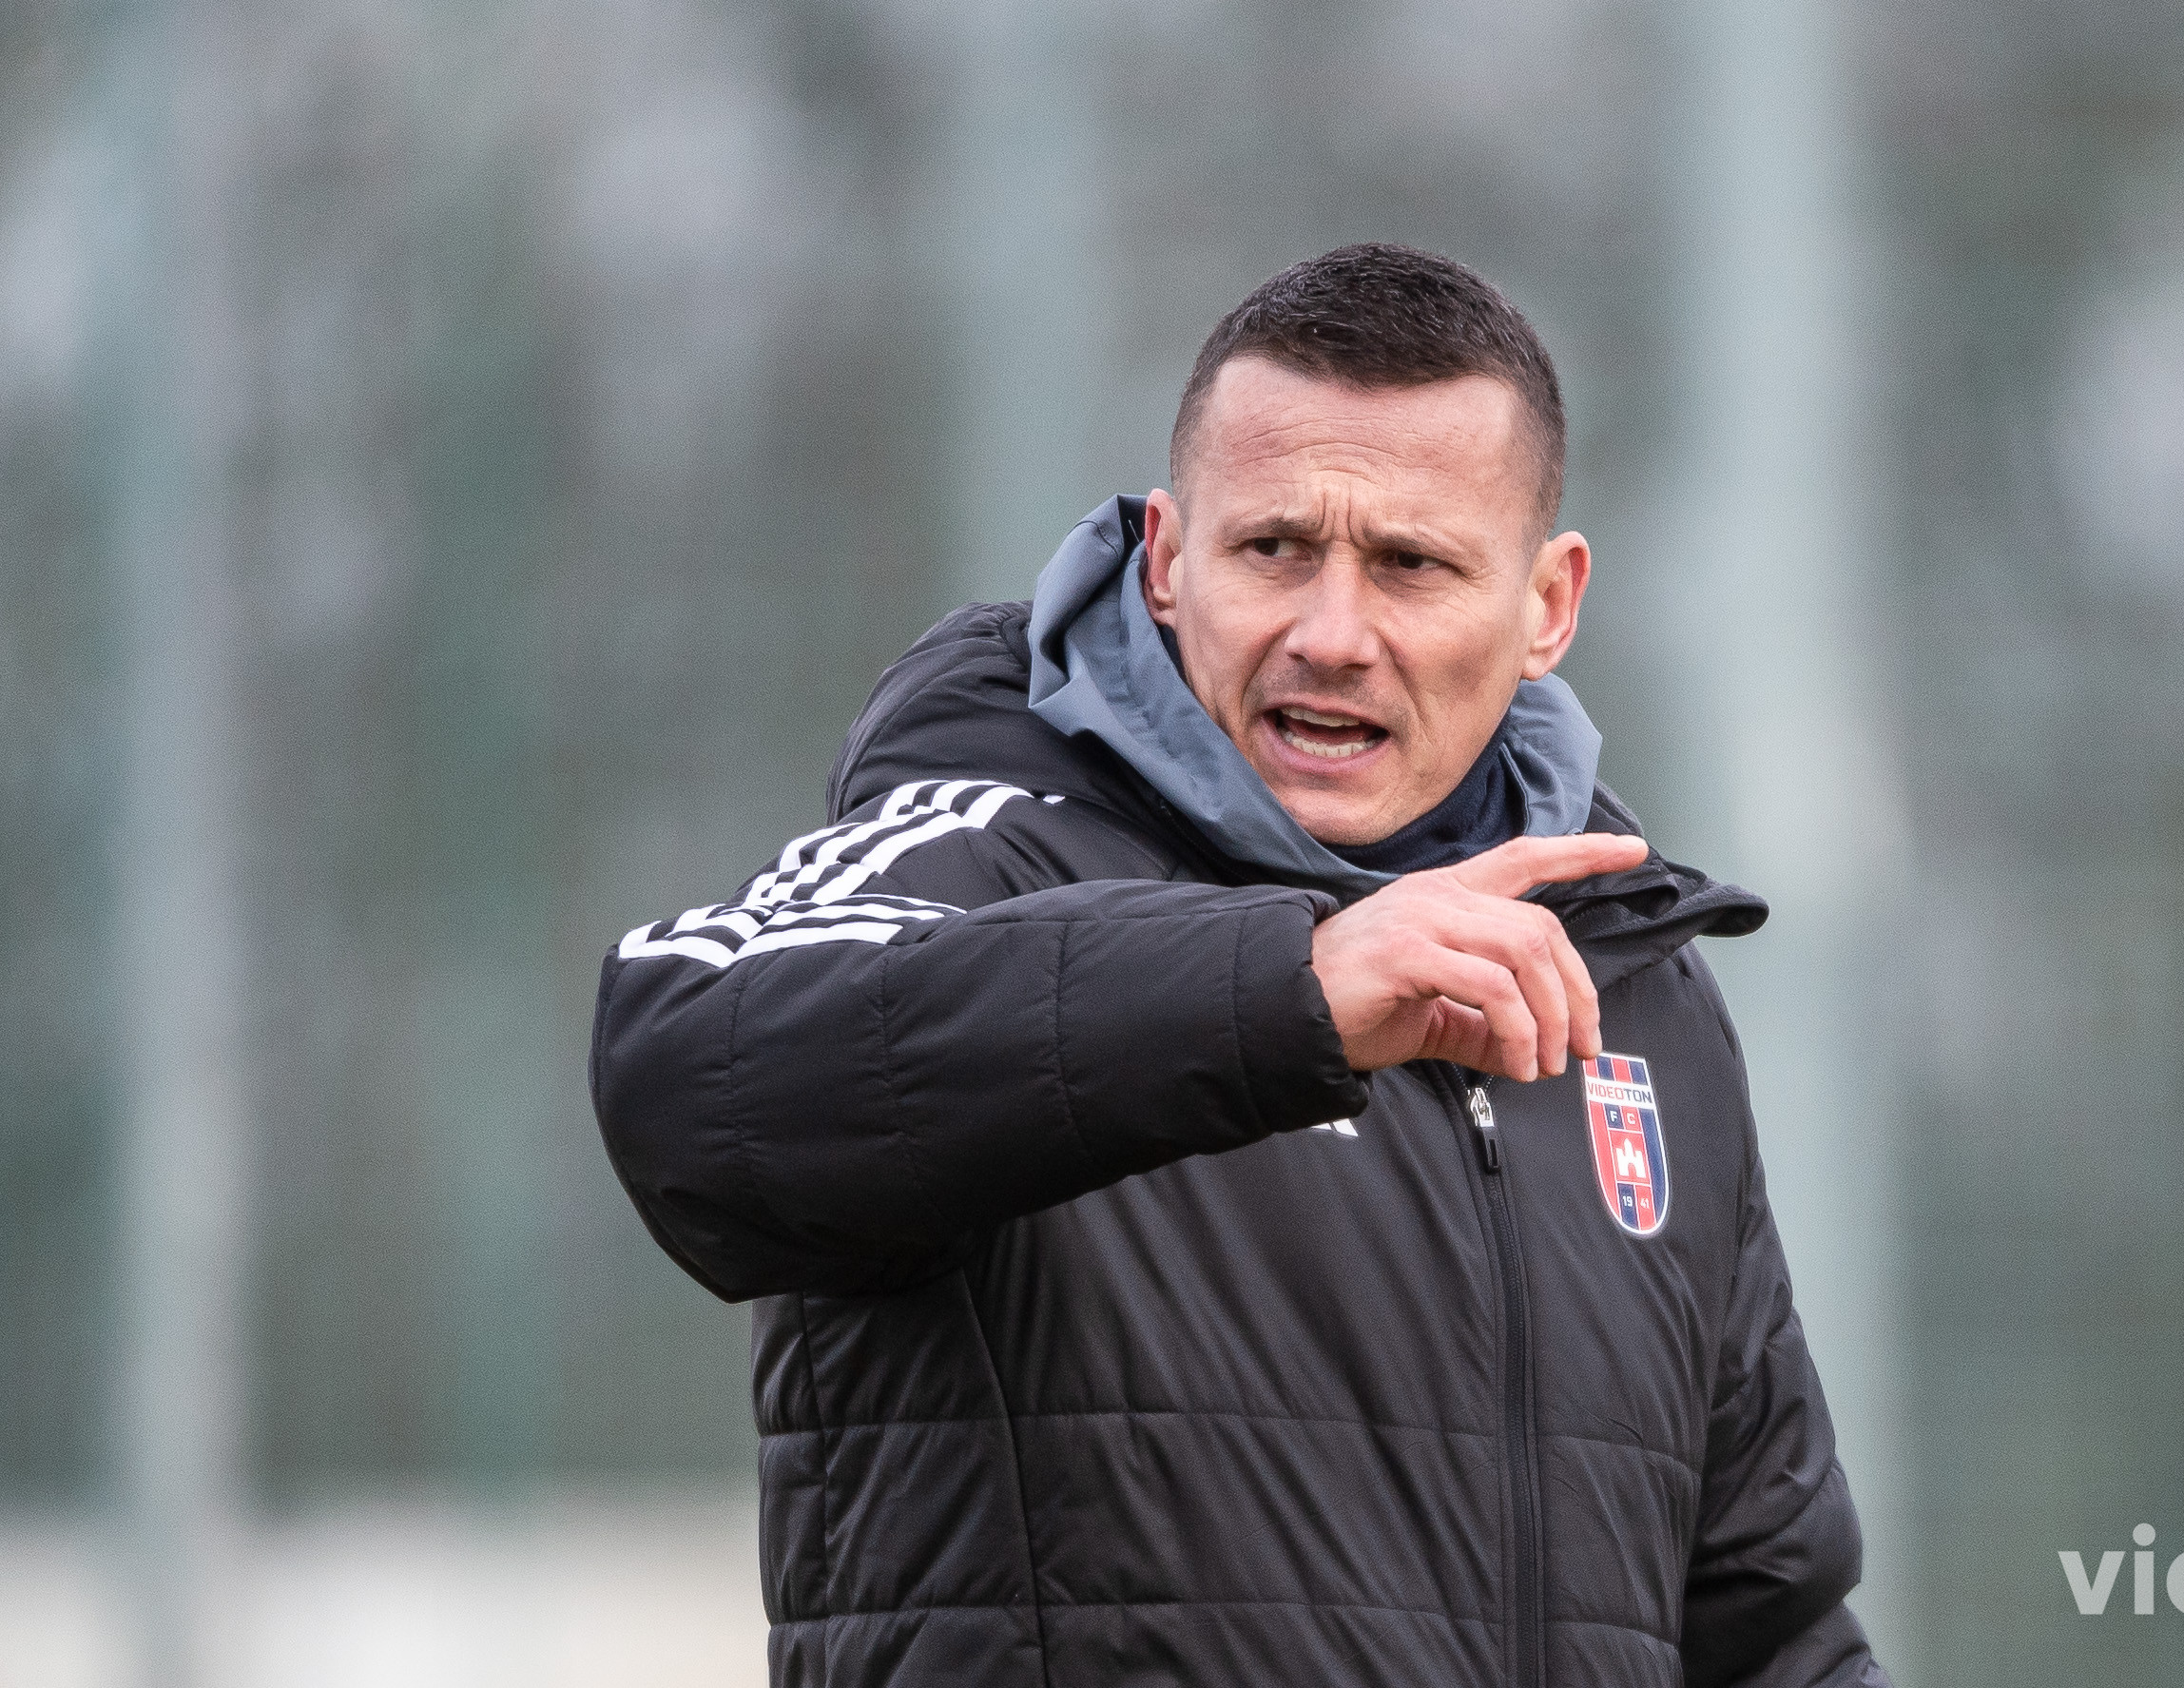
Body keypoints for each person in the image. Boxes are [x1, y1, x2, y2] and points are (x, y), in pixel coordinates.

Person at [590, 243, 1889, 1688]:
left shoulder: (1634, 985)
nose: (1331, 636)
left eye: (1410, 565)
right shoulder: (981, 852)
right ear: (1166, 559)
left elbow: (1768, 1638)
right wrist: (1285, 992)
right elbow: (688, 1079)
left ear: (1548, 605)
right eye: (1274, 549)